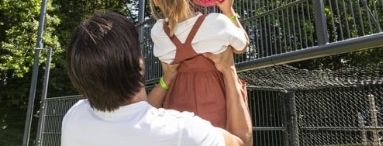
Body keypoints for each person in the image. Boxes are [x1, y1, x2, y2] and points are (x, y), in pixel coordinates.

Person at [61, 10, 251, 146]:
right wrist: (229, 70)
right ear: (139, 64)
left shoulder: (74, 119)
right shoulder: (182, 132)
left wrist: (166, 80)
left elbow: (134, 116)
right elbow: (242, 142)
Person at [143, 0, 249, 132]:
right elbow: (243, 45)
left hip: (177, 115)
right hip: (217, 111)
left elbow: (168, 67)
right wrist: (228, 11)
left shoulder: (159, 33)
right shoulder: (217, 24)